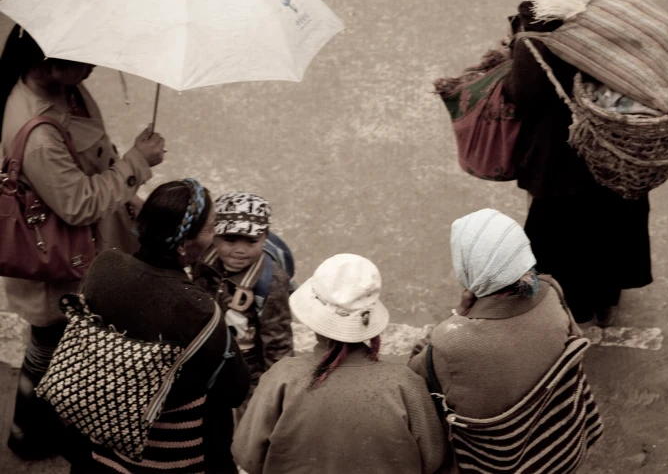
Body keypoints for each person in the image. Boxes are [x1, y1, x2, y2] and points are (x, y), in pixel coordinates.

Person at [0, 24, 166, 459]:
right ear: (48, 61)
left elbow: (94, 158)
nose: (94, 67)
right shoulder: (37, 132)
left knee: (64, 344)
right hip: (56, 259)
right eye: (85, 59)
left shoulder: (68, 91)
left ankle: (45, 427)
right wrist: (136, 162)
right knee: (49, 343)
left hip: (90, 244)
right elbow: (77, 204)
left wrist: (131, 191)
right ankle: (29, 433)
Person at [499, 0, 652, 325]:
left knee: (565, 231)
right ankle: (605, 301)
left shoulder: (541, 9)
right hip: (618, 133)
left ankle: (577, 309)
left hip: (566, 148)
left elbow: (526, 93)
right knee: (613, 219)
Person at [71, 179, 251, 474]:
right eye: (209, 228)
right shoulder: (199, 309)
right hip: (163, 456)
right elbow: (234, 392)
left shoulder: (105, 265)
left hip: (96, 437)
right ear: (182, 243)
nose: (215, 235)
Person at [409, 209, 602, 473]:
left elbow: (415, 379)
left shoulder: (451, 344)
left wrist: (459, 316)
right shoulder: (552, 291)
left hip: (503, 465)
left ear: (468, 269)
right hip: (561, 449)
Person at [232, 254, 447, 474]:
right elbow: (432, 459)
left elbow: (247, 457)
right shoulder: (405, 383)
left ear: (313, 319)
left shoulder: (282, 378)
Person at [192, 192, 294, 416]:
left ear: (265, 237)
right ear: (214, 236)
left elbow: (278, 344)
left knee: (243, 429)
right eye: (229, 239)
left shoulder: (271, 282)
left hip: (249, 371)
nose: (240, 250)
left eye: (251, 241)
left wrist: (277, 392)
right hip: (209, 358)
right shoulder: (203, 260)